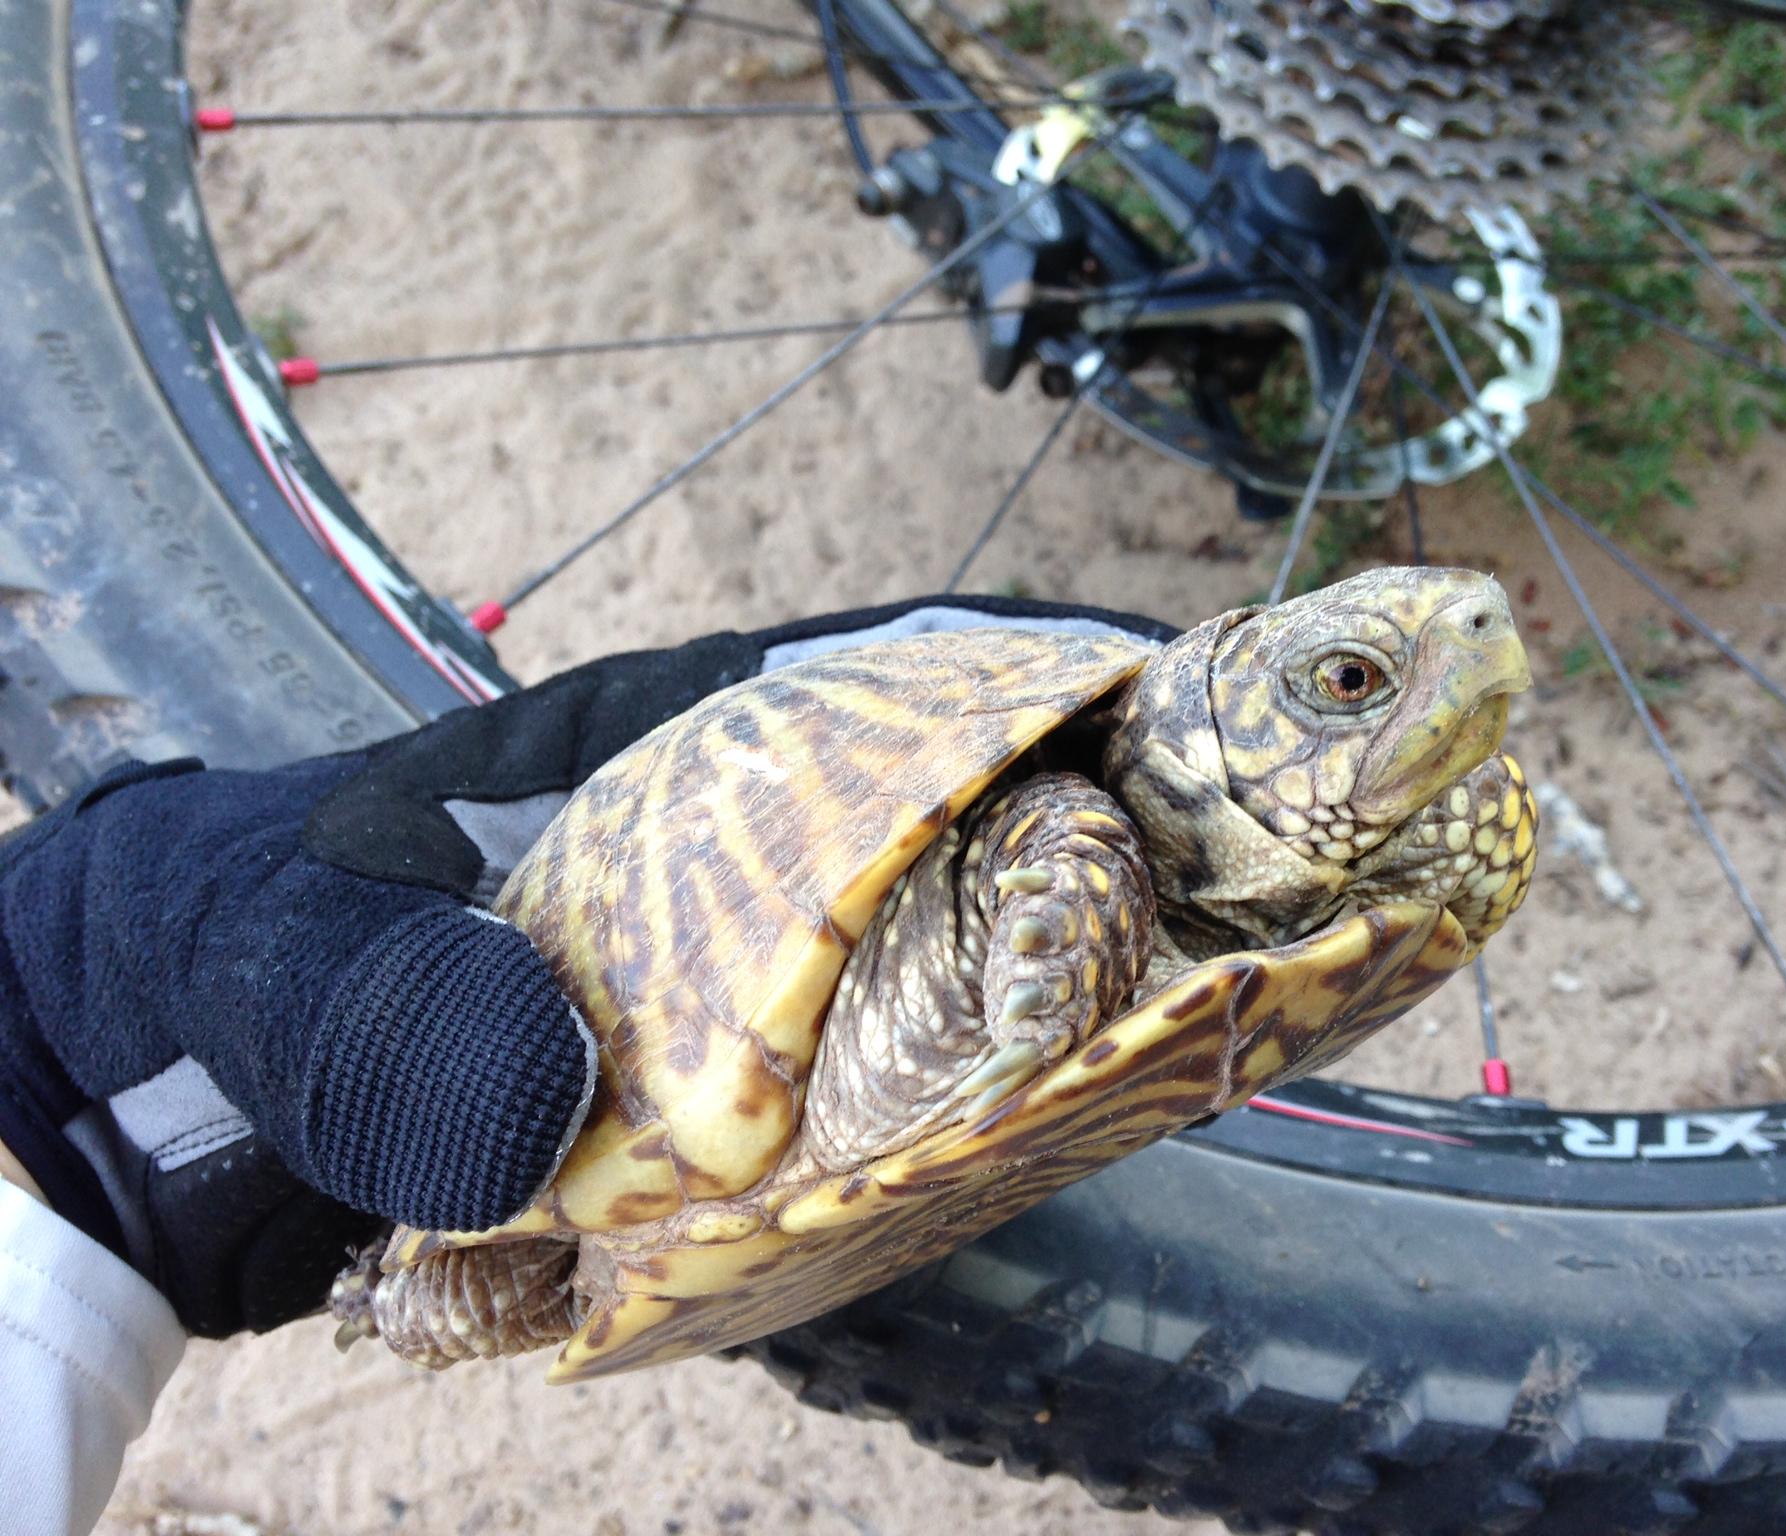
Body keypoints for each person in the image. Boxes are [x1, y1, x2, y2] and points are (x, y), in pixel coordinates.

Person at [0, 595, 1172, 1536]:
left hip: (734, 1113)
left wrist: (65, 1201)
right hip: (656, 1099)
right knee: (1066, 837)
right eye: (1341, 687)